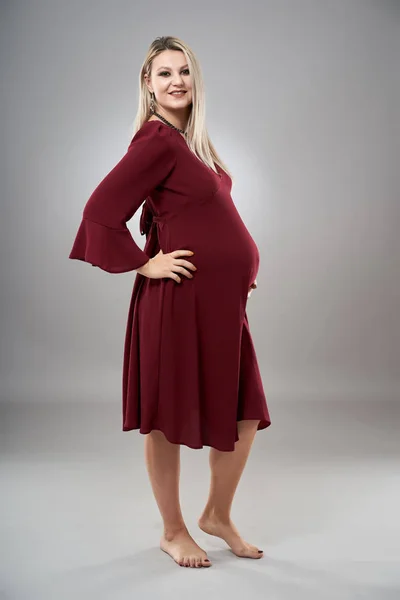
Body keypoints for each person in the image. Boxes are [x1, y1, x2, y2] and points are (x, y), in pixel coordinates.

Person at [69, 36, 271, 569]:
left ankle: (217, 516)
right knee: (167, 416)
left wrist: (242, 267)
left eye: (184, 71)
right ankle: (173, 530)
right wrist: (144, 262)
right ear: (147, 83)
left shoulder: (189, 143)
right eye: (164, 73)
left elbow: (210, 217)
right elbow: (99, 210)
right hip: (177, 303)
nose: (176, 80)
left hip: (221, 307)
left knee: (242, 411)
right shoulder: (156, 140)